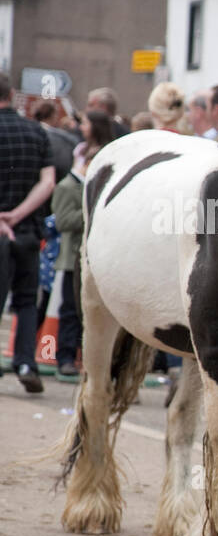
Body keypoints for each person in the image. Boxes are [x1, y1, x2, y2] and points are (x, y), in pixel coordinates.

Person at [0, 71, 57, 392]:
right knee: (25, 300)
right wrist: (18, 215)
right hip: (27, 231)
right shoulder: (35, 132)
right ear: (11, 95)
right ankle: (25, 362)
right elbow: (47, 181)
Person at [48, 109, 115, 379]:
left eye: (85, 122)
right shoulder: (71, 184)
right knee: (70, 308)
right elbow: (65, 220)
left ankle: (88, 359)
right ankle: (66, 356)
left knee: (94, 311)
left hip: (98, 256)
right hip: (74, 255)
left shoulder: (106, 154)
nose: (81, 126)